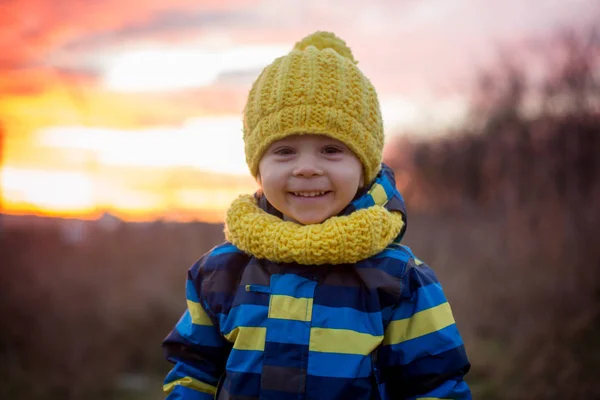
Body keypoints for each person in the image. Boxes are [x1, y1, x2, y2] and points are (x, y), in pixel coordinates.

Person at [162, 31, 471, 400]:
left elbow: (436, 387)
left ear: (364, 166)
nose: (306, 168)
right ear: (258, 167)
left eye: (330, 150)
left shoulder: (400, 280)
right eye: (285, 151)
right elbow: (193, 374)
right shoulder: (219, 274)